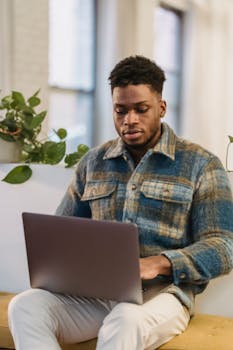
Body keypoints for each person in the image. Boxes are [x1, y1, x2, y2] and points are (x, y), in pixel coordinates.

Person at [8, 55, 233, 350]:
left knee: (126, 320)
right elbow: (62, 231)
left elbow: (224, 246)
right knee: (25, 306)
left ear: (161, 108)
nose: (130, 120)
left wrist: (160, 263)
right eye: (120, 111)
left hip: (163, 296)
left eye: (141, 110)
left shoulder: (201, 163)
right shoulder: (93, 162)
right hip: (97, 295)